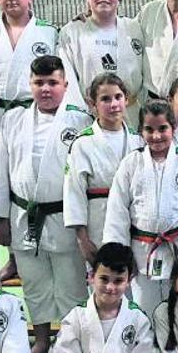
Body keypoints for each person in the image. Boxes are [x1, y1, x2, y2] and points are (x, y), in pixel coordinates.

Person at [0, 55, 93, 353]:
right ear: (30, 84)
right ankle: (41, 340)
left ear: (65, 86)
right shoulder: (15, 119)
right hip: (23, 215)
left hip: (65, 216)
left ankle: (71, 343)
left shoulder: (81, 121)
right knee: (35, 284)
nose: (45, 89)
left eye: (52, 82)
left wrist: (86, 226)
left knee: (71, 287)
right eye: (39, 82)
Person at [104, 100, 178, 314]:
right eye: (149, 130)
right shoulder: (131, 163)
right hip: (141, 249)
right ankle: (146, 346)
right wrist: (120, 252)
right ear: (140, 131)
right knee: (143, 307)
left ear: (174, 128)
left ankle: (176, 347)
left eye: (163, 129)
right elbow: (118, 209)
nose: (156, 136)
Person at [63, 72, 144, 264]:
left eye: (118, 97)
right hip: (98, 224)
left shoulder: (138, 140)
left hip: (135, 223)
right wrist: (82, 239)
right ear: (93, 104)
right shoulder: (83, 142)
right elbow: (74, 192)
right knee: (104, 286)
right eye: (105, 99)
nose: (113, 104)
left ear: (127, 100)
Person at [58, 0, 144, 126]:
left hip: (131, 114)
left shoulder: (135, 28)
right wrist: (78, 113)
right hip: (90, 115)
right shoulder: (72, 32)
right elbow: (68, 80)